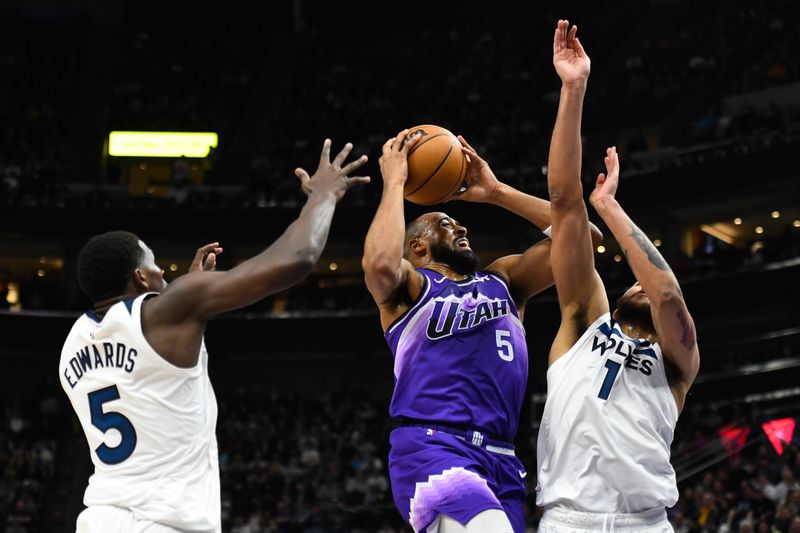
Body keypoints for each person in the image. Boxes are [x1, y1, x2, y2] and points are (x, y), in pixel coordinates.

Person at [59, 139, 369, 533]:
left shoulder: (72, 344)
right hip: (162, 522)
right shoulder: (168, 310)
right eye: (156, 268)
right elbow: (297, 258)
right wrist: (324, 194)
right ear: (140, 278)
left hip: (98, 518)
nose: (164, 277)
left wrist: (184, 300)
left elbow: (142, 369)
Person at [362, 126, 601, 533]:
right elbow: (380, 264)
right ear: (418, 246)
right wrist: (396, 182)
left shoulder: (505, 280)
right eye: (445, 224)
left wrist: (497, 193)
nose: (461, 228)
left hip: (502, 457)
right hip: (433, 445)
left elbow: (584, 238)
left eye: (459, 223)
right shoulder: (411, 290)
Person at [536, 20, 700, 532]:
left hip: (644, 522)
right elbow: (564, 207)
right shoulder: (583, 322)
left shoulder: (676, 359)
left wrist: (608, 206)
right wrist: (573, 88)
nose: (640, 287)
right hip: (567, 521)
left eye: (642, 285)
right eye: (633, 283)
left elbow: (668, 295)